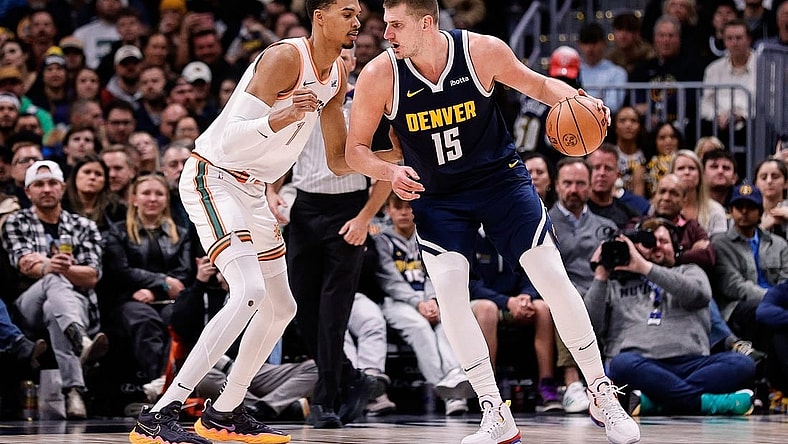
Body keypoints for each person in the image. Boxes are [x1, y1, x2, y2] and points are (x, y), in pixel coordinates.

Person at [343, 2, 641, 443]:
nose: (386, 34)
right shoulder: (380, 75)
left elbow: (539, 85)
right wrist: (390, 172)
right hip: (439, 195)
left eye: (396, 25)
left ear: (427, 23)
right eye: (386, 25)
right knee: (450, 295)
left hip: (499, 181)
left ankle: (600, 393)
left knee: (552, 276)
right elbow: (355, 150)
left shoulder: (480, 51)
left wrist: (579, 100)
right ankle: (493, 410)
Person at [129, 1, 363, 443]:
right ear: (319, 16)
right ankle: (158, 415)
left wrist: (398, 158)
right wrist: (283, 115)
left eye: (358, 14)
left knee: (282, 307)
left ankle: (225, 411)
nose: (357, 21)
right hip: (214, 176)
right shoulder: (285, 57)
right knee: (249, 293)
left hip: (253, 190)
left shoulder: (336, 75)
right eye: (347, 13)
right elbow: (230, 138)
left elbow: (338, 159)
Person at [586, 217, 756, 416]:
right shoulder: (615, 283)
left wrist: (645, 267)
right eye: (650, 242)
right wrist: (600, 275)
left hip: (693, 364)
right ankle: (706, 403)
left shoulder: (690, 271)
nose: (657, 246)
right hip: (641, 366)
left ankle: (657, 403)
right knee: (620, 364)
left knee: (742, 364)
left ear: (675, 247)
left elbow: (698, 295)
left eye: (663, 241)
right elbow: (589, 327)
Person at [2, 160, 107, 419]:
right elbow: (24, 263)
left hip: (77, 304)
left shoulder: (84, 225)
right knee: (53, 280)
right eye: (39, 184)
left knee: (55, 309)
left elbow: (92, 276)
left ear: (62, 187)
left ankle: (74, 392)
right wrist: (56, 267)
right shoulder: (16, 222)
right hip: (29, 305)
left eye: (52, 183)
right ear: (28, 192)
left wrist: (48, 264)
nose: (46, 189)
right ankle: (80, 341)